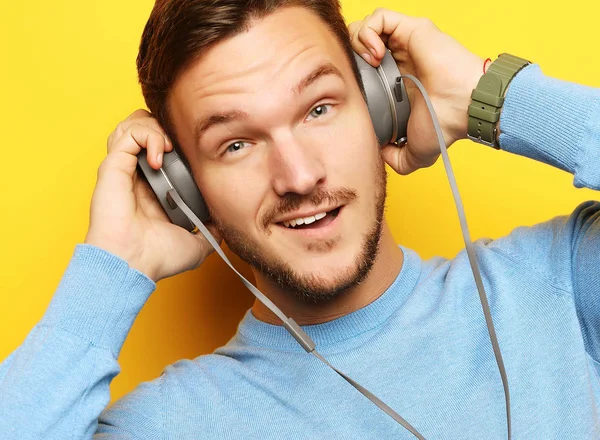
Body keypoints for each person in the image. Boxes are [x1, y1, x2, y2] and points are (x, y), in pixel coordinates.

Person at [1, 1, 599, 438]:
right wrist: (110, 271)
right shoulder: (174, 425)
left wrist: (491, 98)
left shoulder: (561, 284)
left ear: (379, 107)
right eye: (236, 144)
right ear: (183, 190)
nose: (298, 176)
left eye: (318, 108)